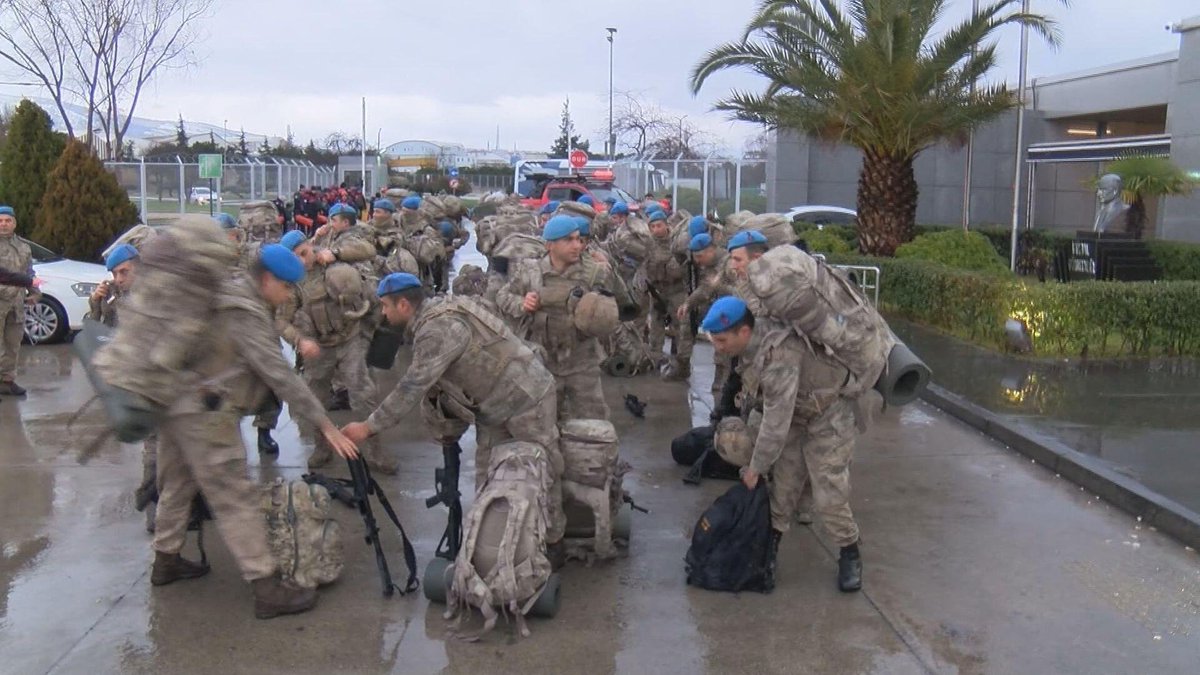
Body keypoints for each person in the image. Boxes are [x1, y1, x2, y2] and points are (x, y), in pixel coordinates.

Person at [151, 244, 358, 619]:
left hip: (172, 403)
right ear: (266, 279)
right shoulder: (244, 313)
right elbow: (281, 376)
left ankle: (165, 560)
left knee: (178, 484)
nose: (289, 296)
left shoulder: (224, 290)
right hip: (206, 415)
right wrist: (326, 424)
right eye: (286, 287)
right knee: (235, 497)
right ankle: (267, 588)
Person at [342, 273, 567, 548]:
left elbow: (410, 388)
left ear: (403, 305)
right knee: (488, 475)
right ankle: (490, 546)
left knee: (543, 467)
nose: (384, 314)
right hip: (494, 406)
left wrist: (367, 427)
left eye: (386, 306)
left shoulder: (437, 330)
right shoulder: (443, 309)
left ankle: (553, 540)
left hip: (526, 397)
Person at [703, 296, 865, 592]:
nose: (718, 346)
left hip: (829, 415)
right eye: (713, 339)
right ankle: (770, 549)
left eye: (722, 339)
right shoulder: (752, 343)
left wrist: (755, 467)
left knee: (829, 494)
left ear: (743, 332)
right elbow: (757, 401)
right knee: (783, 488)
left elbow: (775, 422)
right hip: (797, 415)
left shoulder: (779, 355)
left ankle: (849, 550)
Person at [496, 216, 635, 421]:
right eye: (568, 240)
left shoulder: (595, 272)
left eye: (578, 239)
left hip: (582, 362)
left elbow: (625, 305)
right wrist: (522, 303)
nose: (576, 245)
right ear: (550, 244)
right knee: (543, 423)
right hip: (542, 362)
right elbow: (502, 296)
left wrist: (603, 311)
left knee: (593, 425)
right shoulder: (530, 271)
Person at [677, 232, 736, 392]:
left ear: (711, 251)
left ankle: (723, 382)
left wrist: (719, 287)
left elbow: (742, 293)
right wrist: (688, 303)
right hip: (718, 310)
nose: (697, 261)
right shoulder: (708, 266)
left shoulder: (730, 264)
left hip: (734, 314)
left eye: (700, 256)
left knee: (725, 348)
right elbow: (705, 288)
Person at [643, 210, 693, 380]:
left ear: (666, 225)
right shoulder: (647, 244)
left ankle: (679, 362)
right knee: (656, 325)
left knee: (680, 326)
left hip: (676, 290)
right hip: (657, 290)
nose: (656, 229)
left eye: (659, 225)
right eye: (652, 226)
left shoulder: (676, 242)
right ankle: (655, 357)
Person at [0, 205, 36, 396]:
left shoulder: (24, 246)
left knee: (13, 343)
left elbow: (29, 272)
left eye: (8, 220)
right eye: (0, 221)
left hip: (17, 303)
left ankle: (7, 381)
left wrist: (35, 291)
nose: (4, 224)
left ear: (14, 223)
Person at [87, 244, 139, 327]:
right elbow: (93, 328)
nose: (118, 279)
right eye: (114, 273)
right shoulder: (110, 290)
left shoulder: (152, 293)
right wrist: (95, 301)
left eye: (124, 272)